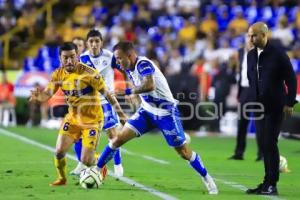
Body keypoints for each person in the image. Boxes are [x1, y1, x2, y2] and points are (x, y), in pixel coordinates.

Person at [95, 41, 218, 195]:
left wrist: (128, 91)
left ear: (130, 55)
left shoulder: (143, 64)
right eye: (116, 59)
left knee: (184, 153)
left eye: (119, 58)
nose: (118, 62)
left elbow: (150, 85)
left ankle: (206, 177)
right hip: (147, 111)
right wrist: (135, 95)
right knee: (117, 139)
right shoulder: (130, 68)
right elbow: (145, 90)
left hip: (166, 113)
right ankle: (96, 170)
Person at [29, 42, 127, 186]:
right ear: (60, 58)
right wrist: (39, 98)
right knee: (59, 151)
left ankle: (101, 164)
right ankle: (62, 179)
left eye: (72, 57)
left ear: (78, 56)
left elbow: (109, 96)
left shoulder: (90, 74)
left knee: (87, 160)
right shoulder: (58, 74)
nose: (69, 61)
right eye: (65, 58)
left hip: (92, 121)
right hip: (73, 118)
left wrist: (122, 116)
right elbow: (47, 94)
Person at [246, 22, 297, 195]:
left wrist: (290, 102)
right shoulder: (250, 55)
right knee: (263, 144)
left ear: (263, 35)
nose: (250, 39)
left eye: (253, 35)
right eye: (249, 35)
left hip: (276, 105)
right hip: (258, 106)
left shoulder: (278, 54)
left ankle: (271, 184)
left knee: (269, 142)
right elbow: (251, 78)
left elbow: (291, 79)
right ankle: (266, 182)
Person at [70, 29, 125, 177]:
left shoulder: (110, 56)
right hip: (89, 103)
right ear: (88, 43)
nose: (94, 44)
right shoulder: (82, 58)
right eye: (91, 41)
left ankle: (118, 164)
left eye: (97, 41)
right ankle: (81, 163)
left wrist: (128, 87)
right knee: (81, 135)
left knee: (112, 134)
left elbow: (125, 68)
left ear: (101, 42)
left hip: (106, 101)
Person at [229, 36, 263, 161]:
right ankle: (239, 152)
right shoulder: (240, 52)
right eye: (247, 38)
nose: (249, 41)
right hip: (244, 90)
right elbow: (240, 69)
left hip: (256, 90)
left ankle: (262, 154)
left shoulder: (260, 52)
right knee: (242, 123)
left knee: (259, 123)